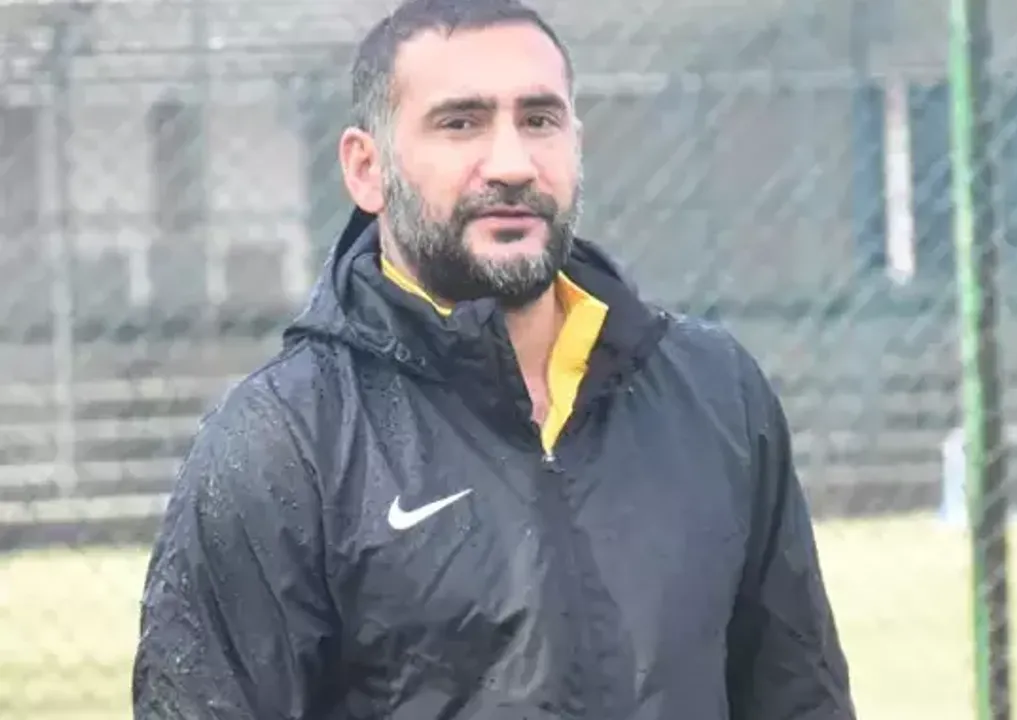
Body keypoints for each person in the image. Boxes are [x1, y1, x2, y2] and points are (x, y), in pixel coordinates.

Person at [130, 0, 855, 717]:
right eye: (461, 123)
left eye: (539, 121)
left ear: (575, 145)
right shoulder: (282, 444)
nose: (512, 164)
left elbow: (800, 696)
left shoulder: (715, 392)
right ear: (366, 168)